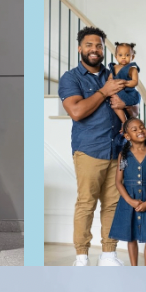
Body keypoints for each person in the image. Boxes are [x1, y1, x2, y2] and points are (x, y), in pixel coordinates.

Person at [58, 26, 128, 267]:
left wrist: (126, 106)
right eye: (89, 45)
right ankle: (81, 257)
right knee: (87, 203)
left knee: (112, 204)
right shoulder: (71, 78)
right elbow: (77, 111)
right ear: (80, 48)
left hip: (117, 149)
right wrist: (104, 91)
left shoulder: (114, 74)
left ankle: (108, 254)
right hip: (89, 149)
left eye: (99, 45)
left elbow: (130, 107)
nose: (95, 49)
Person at [109, 118, 146, 266]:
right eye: (135, 130)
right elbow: (118, 182)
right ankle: (134, 269)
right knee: (131, 236)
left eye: (142, 127)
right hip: (129, 201)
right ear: (127, 136)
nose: (140, 131)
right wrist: (130, 201)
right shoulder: (123, 155)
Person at [107, 42, 140, 119]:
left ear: (132, 57)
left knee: (128, 108)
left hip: (128, 92)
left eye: (127, 55)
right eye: (120, 55)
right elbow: (110, 79)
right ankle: (124, 121)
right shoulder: (114, 68)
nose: (123, 57)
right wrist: (111, 83)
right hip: (117, 91)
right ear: (116, 57)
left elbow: (135, 82)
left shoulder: (132, 69)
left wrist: (125, 83)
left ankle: (128, 120)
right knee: (115, 106)